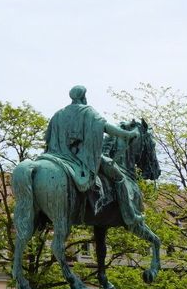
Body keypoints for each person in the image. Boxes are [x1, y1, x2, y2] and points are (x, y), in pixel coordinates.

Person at [41, 85, 142, 226]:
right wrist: (128, 134)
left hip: (55, 157)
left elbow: (47, 138)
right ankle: (130, 215)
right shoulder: (87, 111)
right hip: (80, 158)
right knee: (119, 177)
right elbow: (106, 127)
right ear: (83, 96)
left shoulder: (58, 114)